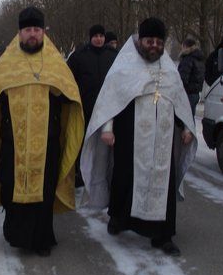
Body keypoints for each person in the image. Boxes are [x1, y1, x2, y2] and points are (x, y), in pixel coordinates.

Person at [80, 17, 197, 257]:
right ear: (140, 41)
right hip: (129, 137)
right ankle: (118, 219)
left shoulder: (170, 69)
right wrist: (107, 129)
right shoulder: (125, 66)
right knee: (125, 179)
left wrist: (185, 127)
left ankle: (164, 236)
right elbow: (111, 100)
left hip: (162, 139)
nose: (153, 45)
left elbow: (179, 101)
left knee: (163, 184)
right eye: (148, 41)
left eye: (157, 41)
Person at [0, 6, 84, 256]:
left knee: (44, 190)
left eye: (36, 30)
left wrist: (64, 95)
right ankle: (17, 236)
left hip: (47, 140)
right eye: (27, 30)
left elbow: (70, 96)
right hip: (12, 140)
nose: (32, 34)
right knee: (12, 186)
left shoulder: (55, 63)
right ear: (20, 33)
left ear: (43, 33)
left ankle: (42, 239)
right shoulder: (6, 64)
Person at [67, 24, 117, 186]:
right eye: (95, 36)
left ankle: (104, 174)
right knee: (82, 141)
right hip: (85, 106)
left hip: (107, 108)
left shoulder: (113, 55)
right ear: (90, 38)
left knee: (104, 144)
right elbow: (69, 79)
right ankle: (79, 173)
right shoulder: (79, 56)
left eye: (101, 36)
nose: (99, 39)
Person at [177, 37, 205, 117]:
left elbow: (182, 78)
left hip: (187, 94)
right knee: (191, 119)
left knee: (185, 120)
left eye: (182, 46)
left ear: (186, 46)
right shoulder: (199, 59)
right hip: (196, 93)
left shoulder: (188, 59)